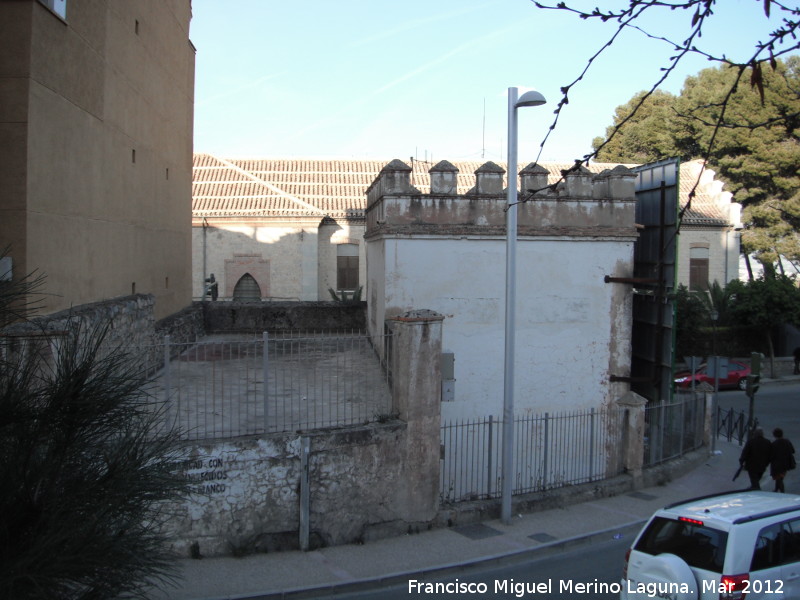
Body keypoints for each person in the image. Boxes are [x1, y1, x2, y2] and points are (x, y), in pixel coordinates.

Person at [771, 428, 796, 493]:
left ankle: (782, 492)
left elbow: (771, 454)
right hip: (786, 463)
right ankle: (776, 489)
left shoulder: (774, 444)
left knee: (779, 478)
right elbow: (793, 451)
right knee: (780, 477)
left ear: (775, 435)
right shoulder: (787, 441)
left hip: (777, 464)